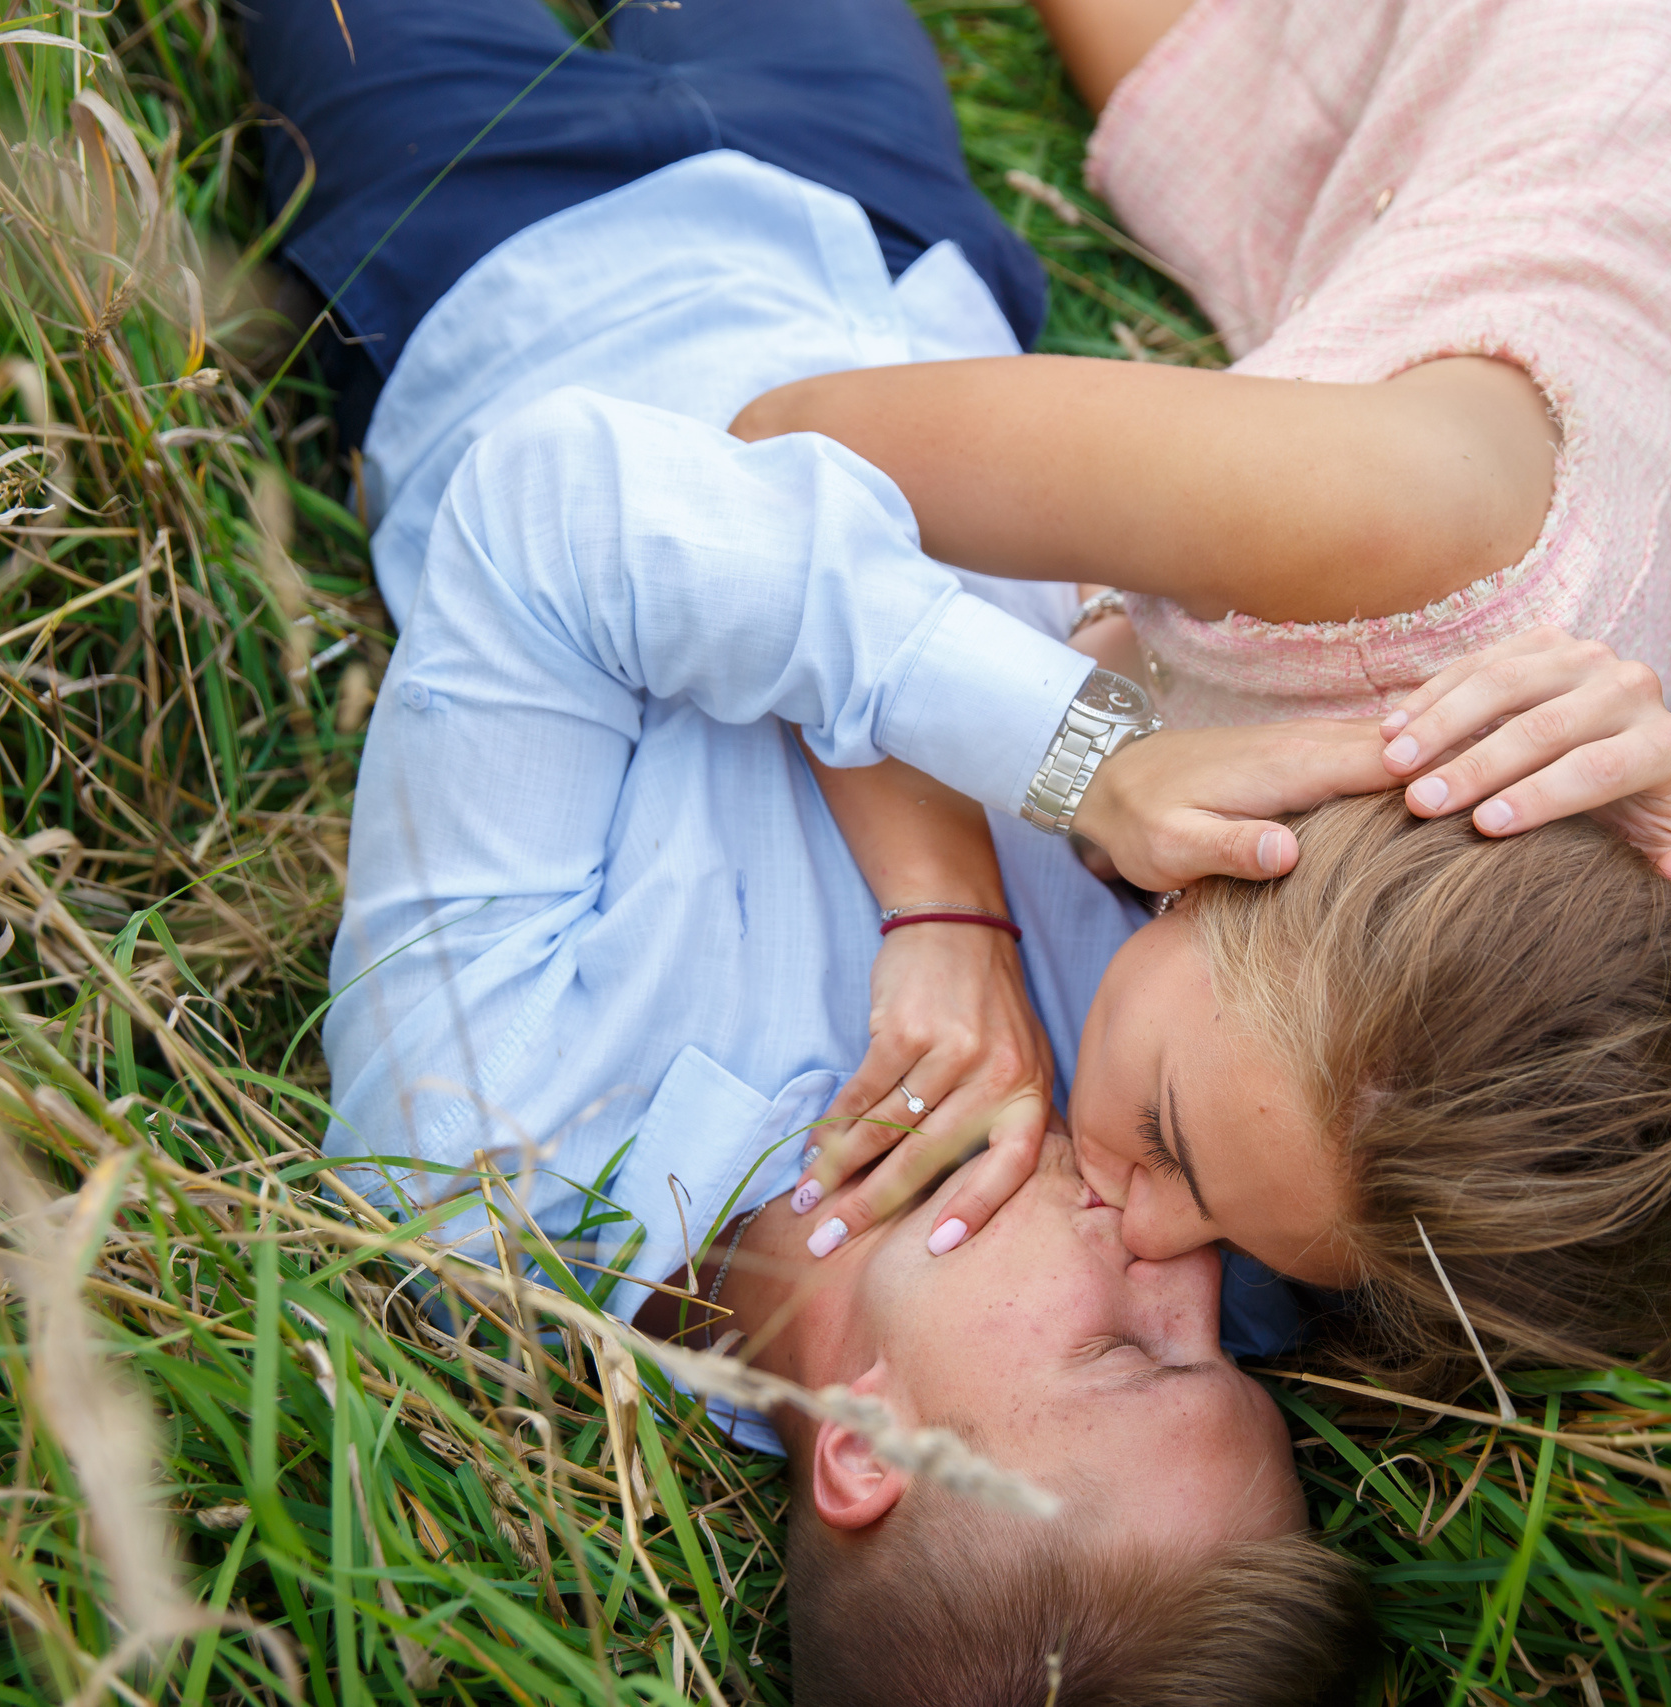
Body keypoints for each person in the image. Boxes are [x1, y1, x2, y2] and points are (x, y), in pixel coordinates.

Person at [256, 0, 1382, 1697]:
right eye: (1228, 1352)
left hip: (498, 237)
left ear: (867, 1447)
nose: (1191, 1260)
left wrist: (1006, 831)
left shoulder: (486, 1174)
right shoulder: (1184, 1135)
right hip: (887, 237)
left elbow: (570, 509)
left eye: (1136, 1356)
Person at [731, 0, 1671, 720]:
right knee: (1197, 81)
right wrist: (1095, 758)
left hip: (1653, 244)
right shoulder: (1369, 513)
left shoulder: (1511, 939)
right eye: (1157, 1101)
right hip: (1626, 62)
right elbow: (786, 436)